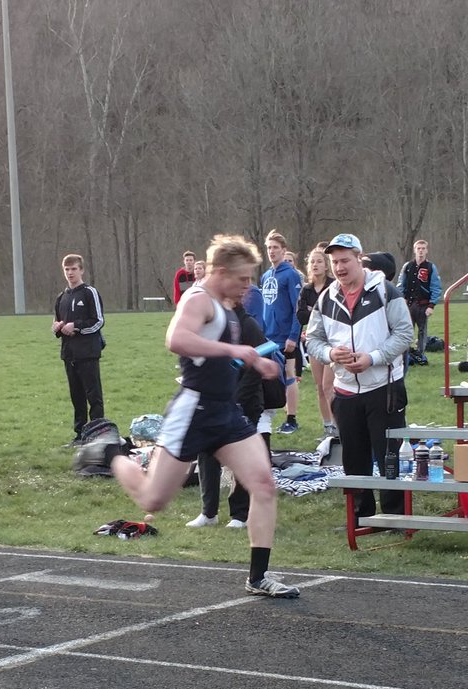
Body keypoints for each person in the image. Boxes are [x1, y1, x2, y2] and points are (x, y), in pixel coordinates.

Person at [76, 233, 297, 598]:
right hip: (192, 411)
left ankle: (258, 577)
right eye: (242, 279)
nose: (248, 286)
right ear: (222, 272)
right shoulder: (198, 299)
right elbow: (176, 340)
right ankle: (109, 452)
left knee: (264, 484)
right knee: (153, 501)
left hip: (225, 412)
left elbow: (219, 355)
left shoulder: (226, 306)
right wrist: (233, 348)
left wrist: (251, 359)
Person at [305, 233, 413, 521]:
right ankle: (360, 518)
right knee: (354, 460)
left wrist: (373, 358)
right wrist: (330, 354)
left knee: (388, 457)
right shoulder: (325, 298)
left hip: (384, 388)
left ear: (359, 259)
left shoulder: (386, 291)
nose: (339, 267)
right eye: (334, 262)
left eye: (345, 261)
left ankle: (394, 518)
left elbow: (404, 334)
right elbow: (312, 339)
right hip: (345, 392)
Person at [186, 286, 271, 530]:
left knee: (241, 459)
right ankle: (208, 511)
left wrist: (234, 398)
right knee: (206, 455)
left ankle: (240, 514)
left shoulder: (249, 326)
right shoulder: (211, 326)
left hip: (243, 403)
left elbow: (256, 368)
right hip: (211, 400)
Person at [51, 253, 105, 445]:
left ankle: (98, 434)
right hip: (69, 353)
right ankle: (80, 434)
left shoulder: (90, 292)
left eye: (74, 269)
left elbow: (98, 321)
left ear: (81, 270)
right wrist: (57, 328)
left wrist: (77, 326)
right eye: (67, 269)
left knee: (94, 395)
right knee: (76, 396)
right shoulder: (61, 297)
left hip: (88, 353)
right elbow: (57, 321)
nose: (70, 273)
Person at [261, 231, 303, 434]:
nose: (272, 251)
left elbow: (298, 307)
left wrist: (293, 336)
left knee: (289, 375)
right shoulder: (266, 275)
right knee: (268, 375)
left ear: (283, 250)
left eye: (275, 247)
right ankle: (267, 416)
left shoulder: (291, 274)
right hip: (268, 336)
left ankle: (291, 418)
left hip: (286, 336)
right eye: (269, 247)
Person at [296, 247, 336, 438]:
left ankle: (338, 426)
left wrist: (314, 312)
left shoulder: (334, 286)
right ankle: (327, 426)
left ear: (326, 265)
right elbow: (301, 316)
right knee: (320, 386)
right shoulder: (307, 289)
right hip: (313, 341)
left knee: (330, 386)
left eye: (319, 261)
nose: (315, 265)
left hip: (332, 342)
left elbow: (333, 315)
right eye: (312, 261)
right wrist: (315, 313)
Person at [398, 239, 443, 365]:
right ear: (415, 250)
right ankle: (406, 354)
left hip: (423, 305)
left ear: (427, 251)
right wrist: (402, 300)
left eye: (423, 248)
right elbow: (401, 284)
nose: (421, 251)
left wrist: (431, 305)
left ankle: (420, 355)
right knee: (407, 330)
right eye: (418, 248)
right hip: (409, 304)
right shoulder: (407, 266)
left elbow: (436, 286)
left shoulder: (430, 267)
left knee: (422, 331)